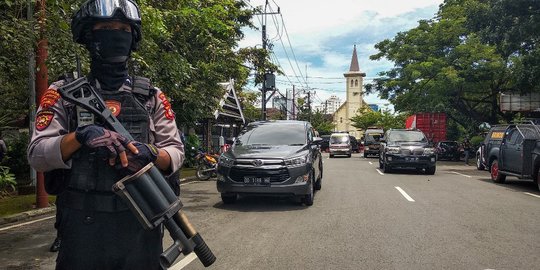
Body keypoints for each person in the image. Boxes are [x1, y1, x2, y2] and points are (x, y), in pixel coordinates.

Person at [27, 0, 184, 269]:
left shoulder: (151, 96)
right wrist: (81, 136)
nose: (116, 34)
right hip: (82, 227)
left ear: (133, 38)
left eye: (123, 28)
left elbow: (175, 152)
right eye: (107, 27)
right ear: (89, 36)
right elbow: (37, 155)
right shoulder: (63, 93)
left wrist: (151, 153)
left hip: (141, 224)